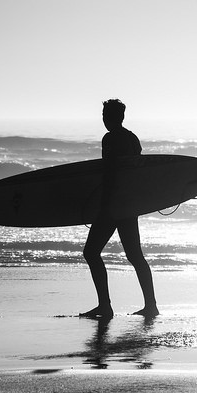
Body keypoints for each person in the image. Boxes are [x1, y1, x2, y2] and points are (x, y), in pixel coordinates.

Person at [80, 99, 159, 319]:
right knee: (135, 255)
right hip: (129, 204)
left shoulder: (110, 138)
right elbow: (136, 172)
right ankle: (151, 305)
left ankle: (105, 306)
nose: (103, 118)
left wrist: (102, 205)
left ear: (112, 117)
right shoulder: (132, 138)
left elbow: (110, 173)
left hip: (114, 205)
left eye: (105, 114)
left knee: (91, 252)